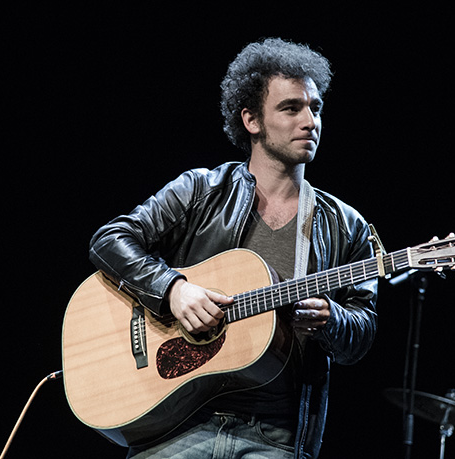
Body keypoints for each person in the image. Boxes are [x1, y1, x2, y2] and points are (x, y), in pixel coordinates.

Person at [88, 37, 378, 459]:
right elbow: (109, 240)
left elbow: (362, 331)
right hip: (178, 422)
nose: (311, 121)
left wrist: (332, 319)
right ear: (251, 120)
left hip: (274, 437)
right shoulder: (201, 189)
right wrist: (174, 289)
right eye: (291, 108)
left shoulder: (346, 225)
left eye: (315, 108)